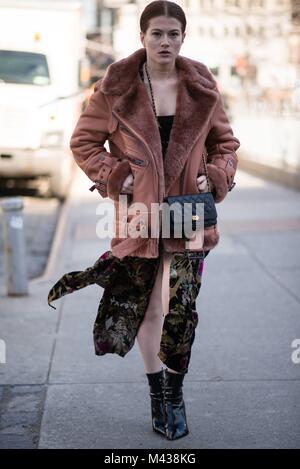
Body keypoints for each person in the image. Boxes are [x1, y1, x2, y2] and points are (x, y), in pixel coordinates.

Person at [66, 0, 240, 441]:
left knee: (180, 309)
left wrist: (216, 173)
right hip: (140, 217)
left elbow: (226, 144)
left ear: (184, 37)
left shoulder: (201, 85)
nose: (165, 41)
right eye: (157, 33)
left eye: (173, 34)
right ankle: (156, 393)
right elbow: (84, 142)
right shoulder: (116, 87)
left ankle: (176, 393)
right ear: (142, 37)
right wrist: (115, 175)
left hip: (187, 213)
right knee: (150, 307)